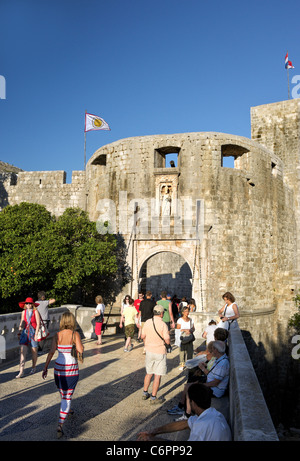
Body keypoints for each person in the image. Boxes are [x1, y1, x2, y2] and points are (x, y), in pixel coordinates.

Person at [137, 382, 232, 441]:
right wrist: (153, 432)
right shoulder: (213, 413)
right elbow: (184, 424)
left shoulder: (201, 426)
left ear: (193, 403)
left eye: (188, 400)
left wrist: (152, 439)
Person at [42, 312, 84, 438]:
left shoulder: (57, 335)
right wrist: (77, 345)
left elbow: (51, 352)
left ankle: (68, 410)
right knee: (67, 396)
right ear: (72, 321)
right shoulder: (74, 334)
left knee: (63, 392)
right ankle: (60, 424)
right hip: (71, 368)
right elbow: (81, 350)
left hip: (58, 368)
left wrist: (45, 368)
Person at [140, 305, 171, 404]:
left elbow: (142, 336)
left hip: (149, 350)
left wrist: (146, 344)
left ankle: (145, 393)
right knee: (157, 375)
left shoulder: (148, 322)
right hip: (160, 351)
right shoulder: (163, 325)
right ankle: (153, 397)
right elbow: (167, 339)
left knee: (149, 373)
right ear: (161, 313)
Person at [16, 297, 41, 378]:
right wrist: (19, 331)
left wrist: (36, 334)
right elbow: (22, 322)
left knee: (34, 351)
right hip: (25, 333)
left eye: (30, 303)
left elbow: (38, 323)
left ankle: (33, 367)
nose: (28, 305)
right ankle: (21, 371)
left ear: (32, 304)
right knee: (23, 352)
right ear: (25, 304)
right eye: (27, 303)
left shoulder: (35, 312)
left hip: (33, 333)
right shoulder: (23, 312)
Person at [176, 305, 195, 371]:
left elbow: (193, 328)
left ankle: (189, 364)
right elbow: (178, 329)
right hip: (183, 338)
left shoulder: (190, 320)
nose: (187, 312)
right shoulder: (180, 320)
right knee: (182, 352)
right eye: (185, 311)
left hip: (189, 337)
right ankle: (182, 364)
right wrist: (185, 330)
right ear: (183, 312)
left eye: (188, 311)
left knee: (190, 351)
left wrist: (191, 330)